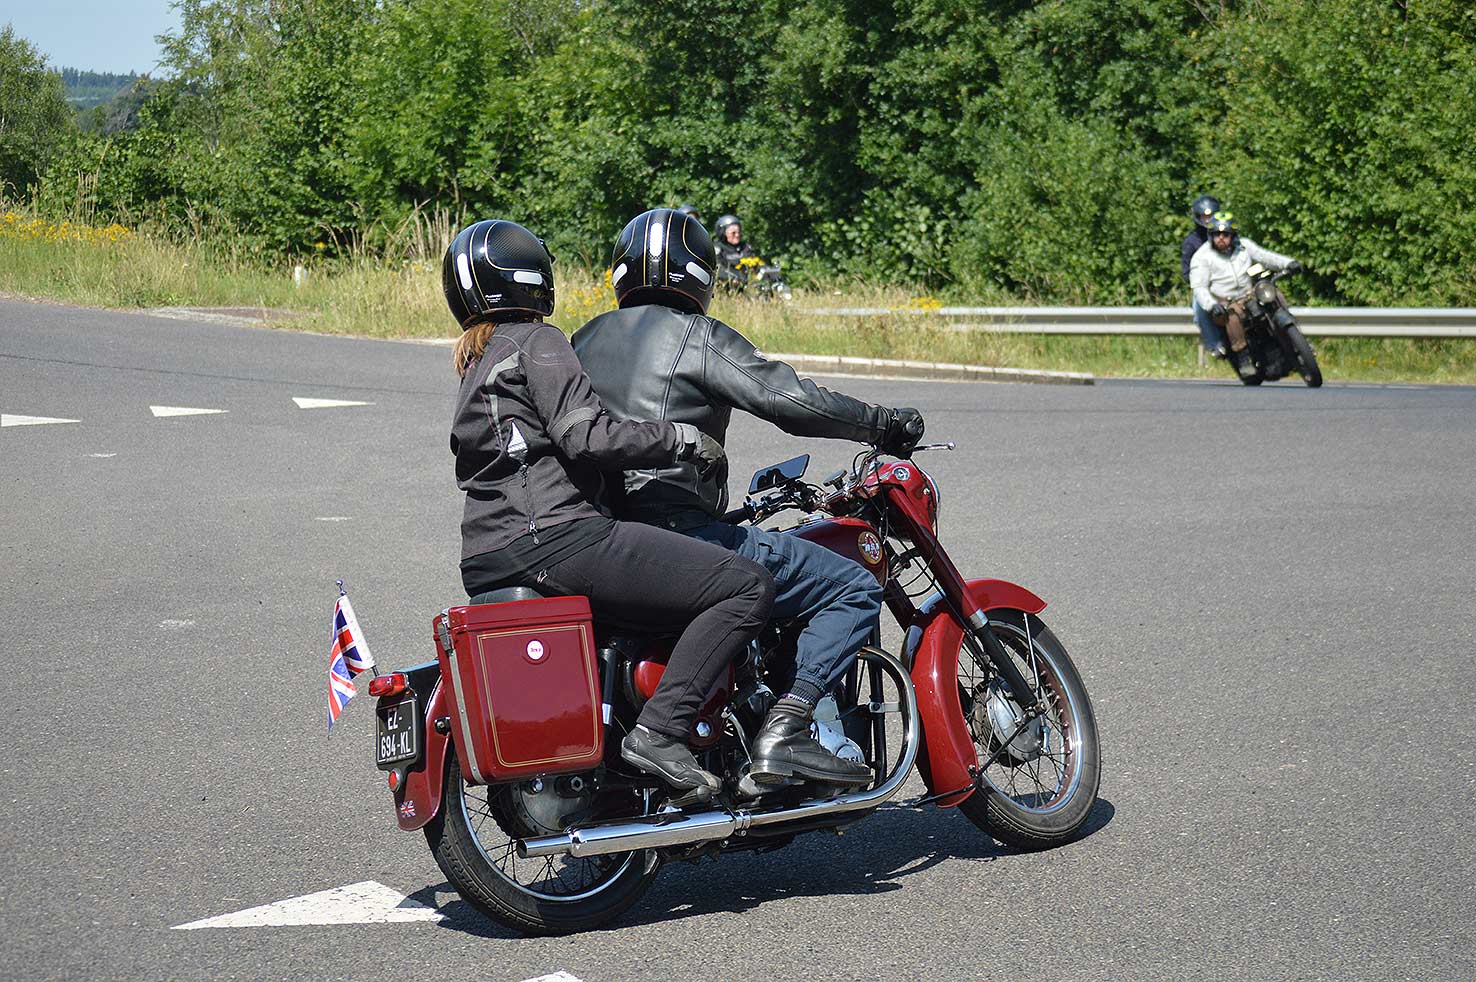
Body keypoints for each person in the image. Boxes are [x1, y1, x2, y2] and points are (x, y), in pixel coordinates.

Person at [572, 207, 926, 788]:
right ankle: (788, 731)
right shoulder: (697, 336)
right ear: (700, 274)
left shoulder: (580, 341)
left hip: (605, 544)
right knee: (852, 586)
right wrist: (882, 423)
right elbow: (787, 399)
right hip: (685, 536)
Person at [445, 218, 775, 802]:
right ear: (530, 275)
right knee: (747, 585)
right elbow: (585, 436)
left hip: (488, 554)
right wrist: (679, 439)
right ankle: (660, 732)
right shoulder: (537, 341)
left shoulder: (478, 360)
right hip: (559, 535)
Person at [1189, 212, 1303, 379]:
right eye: (1217, 234)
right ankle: (1243, 359)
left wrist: (1288, 263)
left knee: (1275, 293)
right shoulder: (1201, 257)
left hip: (1249, 293)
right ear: (1210, 235)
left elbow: (1265, 256)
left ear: (1233, 235)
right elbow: (1199, 287)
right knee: (1232, 315)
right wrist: (1212, 305)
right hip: (1224, 301)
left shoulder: (1244, 246)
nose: (1221, 238)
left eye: (1225, 234)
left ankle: (1295, 336)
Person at [1182, 194, 1228, 357]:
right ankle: (1214, 345)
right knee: (1199, 305)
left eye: (1212, 216)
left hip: (1230, 282)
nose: (1208, 220)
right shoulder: (1192, 242)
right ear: (1198, 217)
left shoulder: (1227, 235)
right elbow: (1186, 273)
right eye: (1205, 216)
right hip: (1207, 287)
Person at [713, 213, 758, 291]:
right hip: (727, 287)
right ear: (723, 233)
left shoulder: (745, 247)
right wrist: (732, 278)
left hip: (747, 285)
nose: (737, 235)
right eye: (733, 233)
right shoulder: (717, 248)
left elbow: (755, 264)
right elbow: (718, 268)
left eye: (739, 232)